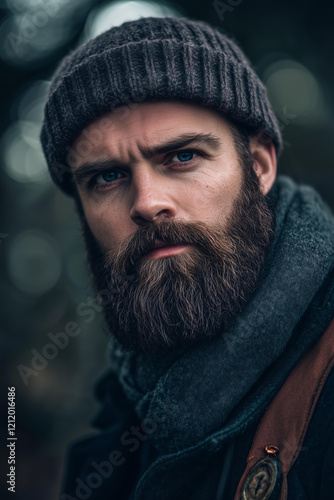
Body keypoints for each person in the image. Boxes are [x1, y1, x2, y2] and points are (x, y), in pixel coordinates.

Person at [40, 16, 334, 500]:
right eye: (107, 178)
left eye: (182, 157)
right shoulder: (114, 427)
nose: (146, 202)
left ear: (258, 167)